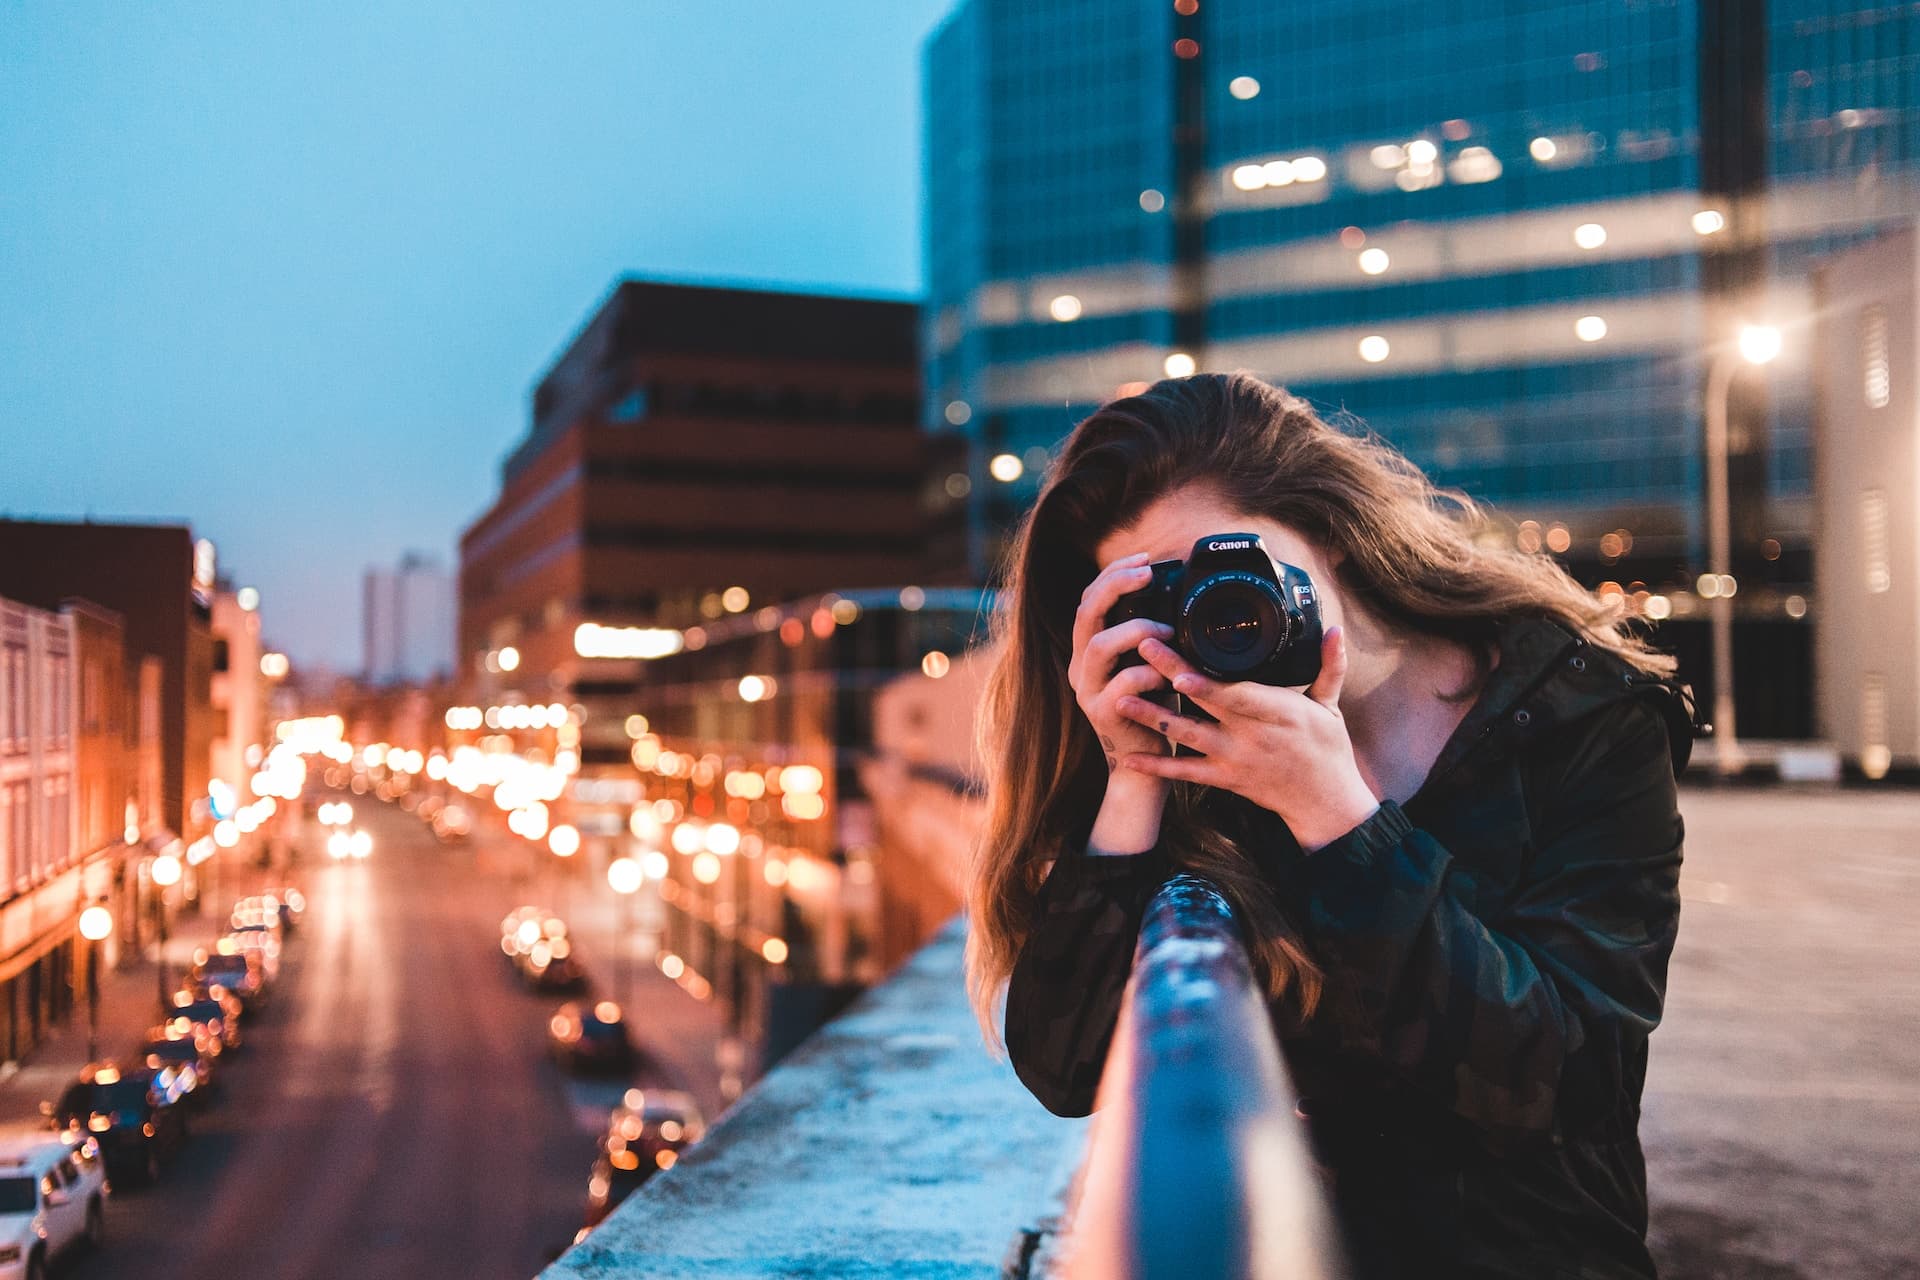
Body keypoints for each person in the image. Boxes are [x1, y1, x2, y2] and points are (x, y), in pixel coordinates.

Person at [964, 372, 1695, 1279]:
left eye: (1234, 571)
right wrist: (1131, 773)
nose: (1215, 614)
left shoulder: (1582, 717)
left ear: (1337, 535)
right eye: (1166, 594)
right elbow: (1068, 1070)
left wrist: (1335, 815)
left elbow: (1566, 1076)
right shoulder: (1189, 746)